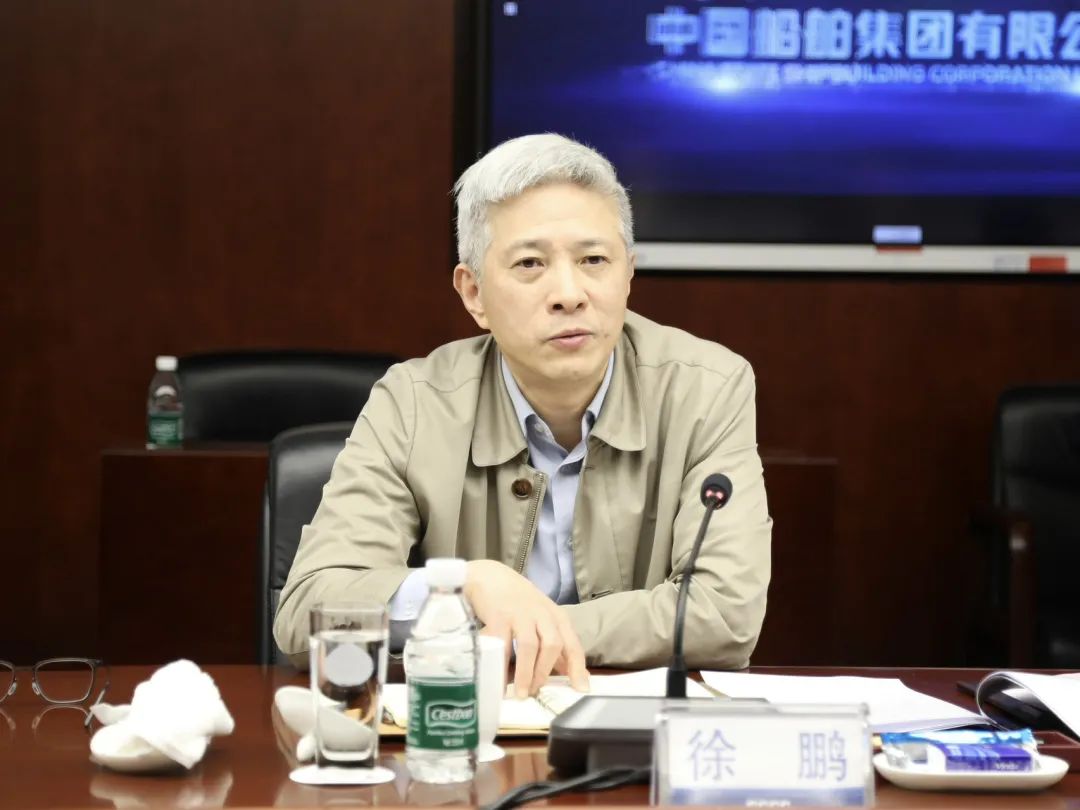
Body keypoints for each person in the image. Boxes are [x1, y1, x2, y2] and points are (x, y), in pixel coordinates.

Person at [274, 133, 772, 697]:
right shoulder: (413, 403)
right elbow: (307, 610)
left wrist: (522, 628)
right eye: (531, 263)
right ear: (474, 294)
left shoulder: (706, 388)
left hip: (633, 728)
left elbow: (724, 615)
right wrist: (463, 588)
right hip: (466, 722)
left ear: (628, 274)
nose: (569, 293)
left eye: (594, 260)